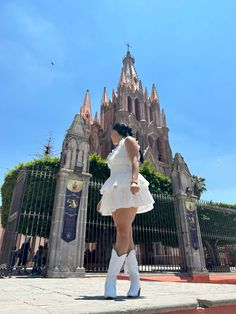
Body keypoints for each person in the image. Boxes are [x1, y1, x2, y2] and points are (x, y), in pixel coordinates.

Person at [97, 123, 154, 299]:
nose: (109, 135)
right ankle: (135, 282)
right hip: (115, 188)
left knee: (122, 233)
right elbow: (113, 173)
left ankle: (110, 281)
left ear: (116, 131)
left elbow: (135, 161)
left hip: (128, 186)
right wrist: (103, 198)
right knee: (126, 235)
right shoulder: (114, 150)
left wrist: (135, 181)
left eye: (111, 132)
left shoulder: (129, 140)